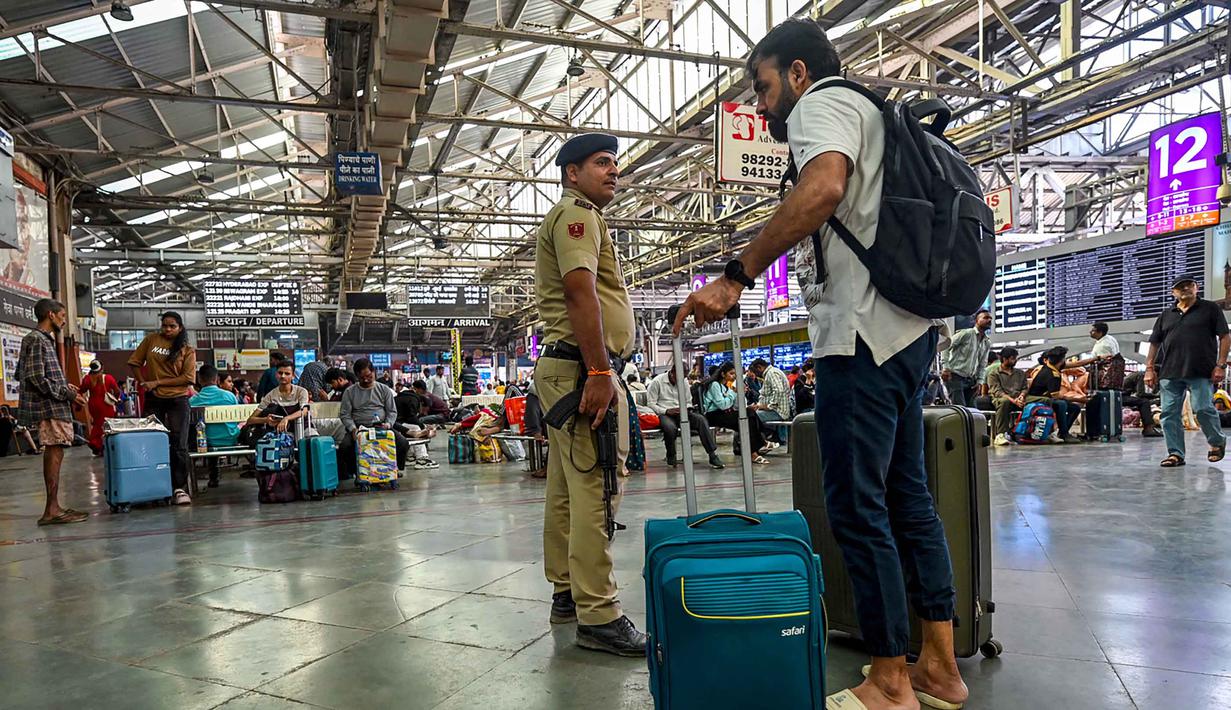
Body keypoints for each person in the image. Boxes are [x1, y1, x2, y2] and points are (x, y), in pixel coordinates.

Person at [672, 19, 967, 709]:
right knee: (907, 501)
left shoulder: (822, 105)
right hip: (909, 332)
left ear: (798, 74)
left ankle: (890, 679)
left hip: (859, 335)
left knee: (857, 507)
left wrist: (736, 275)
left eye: (764, 85)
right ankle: (938, 668)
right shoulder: (878, 116)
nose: (761, 103)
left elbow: (823, 188)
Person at [533, 132, 645, 656]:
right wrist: (601, 370)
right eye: (602, 163)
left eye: (615, 163)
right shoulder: (577, 217)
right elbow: (581, 293)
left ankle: (566, 592)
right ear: (571, 173)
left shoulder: (577, 217)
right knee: (596, 486)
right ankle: (599, 612)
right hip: (583, 372)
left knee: (565, 487)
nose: (613, 170)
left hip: (566, 369)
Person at [1146, 275, 1230, 467]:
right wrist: (1150, 368)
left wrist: (1221, 364)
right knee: (1169, 414)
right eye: (1180, 287)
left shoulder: (1210, 309)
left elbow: (1225, 337)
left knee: (1203, 408)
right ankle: (1175, 454)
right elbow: (1154, 343)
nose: (1185, 289)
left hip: (1201, 370)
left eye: (1189, 285)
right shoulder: (1166, 314)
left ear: (1196, 288)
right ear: (1173, 292)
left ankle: (1217, 442)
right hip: (1169, 372)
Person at [19, 299, 88, 525]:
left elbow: (30, 373)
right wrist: (66, 394)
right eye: (62, 315)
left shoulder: (41, 340)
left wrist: (64, 386)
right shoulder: (37, 340)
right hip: (49, 406)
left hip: (53, 404)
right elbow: (35, 377)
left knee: (57, 450)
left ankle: (54, 507)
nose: (64, 319)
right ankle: (51, 510)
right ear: (51, 314)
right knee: (54, 450)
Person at [128, 311, 196, 506]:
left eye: (172, 326)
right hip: (154, 399)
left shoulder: (186, 349)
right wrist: (143, 383)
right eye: (165, 325)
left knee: (179, 444)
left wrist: (156, 382)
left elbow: (188, 378)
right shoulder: (151, 340)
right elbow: (134, 362)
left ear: (180, 328)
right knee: (149, 442)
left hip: (178, 400)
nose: (167, 329)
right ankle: (151, 486)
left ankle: (179, 488)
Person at [338, 358, 411, 476]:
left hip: (381, 426)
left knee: (403, 443)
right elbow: (345, 414)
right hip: (358, 428)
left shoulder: (384, 389)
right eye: (362, 378)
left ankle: (394, 468)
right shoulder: (350, 392)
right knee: (345, 447)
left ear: (374, 372)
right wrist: (352, 428)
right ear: (356, 376)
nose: (366, 380)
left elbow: (392, 411)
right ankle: (357, 471)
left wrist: (388, 424)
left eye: (368, 376)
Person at [646, 365, 725, 469]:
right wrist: (666, 410)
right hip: (665, 413)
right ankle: (671, 455)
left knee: (701, 420)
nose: (680, 380)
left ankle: (712, 455)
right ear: (672, 372)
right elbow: (651, 404)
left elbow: (688, 401)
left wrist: (686, 408)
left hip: (681, 412)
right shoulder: (657, 382)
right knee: (670, 428)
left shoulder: (684, 382)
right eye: (678, 377)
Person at [702, 362, 770, 464]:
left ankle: (755, 451)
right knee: (747, 418)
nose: (733, 376)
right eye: (731, 373)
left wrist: (738, 393)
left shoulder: (725, 387)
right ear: (723, 374)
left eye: (734, 374)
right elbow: (723, 405)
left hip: (723, 413)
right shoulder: (715, 385)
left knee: (749, 413)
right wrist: (734, 393)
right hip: (714, 415)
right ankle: (761, 443)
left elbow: (734, 404)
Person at [189, 365, 240, 488]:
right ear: (217, 379)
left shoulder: (192, 401)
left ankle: (212, 476)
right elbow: (237, 420)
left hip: (203, 443)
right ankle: (214, 475)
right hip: (230, 440)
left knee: (208, 435)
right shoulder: (230, 396)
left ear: (199, 380)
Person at [1026, 346, 1082, 443]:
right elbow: (1055, 395)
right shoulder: (1051, 374)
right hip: (1037, 399)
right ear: (1061, 360)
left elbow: (1076, 364)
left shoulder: (1052, 368)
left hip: (1046, 398)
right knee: (1061, 404)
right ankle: (1064, 434)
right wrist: (1079, 399)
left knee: (1075, 408)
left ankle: (1062, 432)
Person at [942, 309, 993, 407]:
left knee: (972, 411)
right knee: (960, 410)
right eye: (986, 318)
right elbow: (947, 346)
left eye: (990, 318)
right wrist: (946, 368)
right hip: (955, 377)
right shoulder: (966, 334)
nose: (989, 320)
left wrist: (980, 381)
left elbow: (982, 364)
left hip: (971, 380)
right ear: (976, 321)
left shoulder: (986, 342)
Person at [245, 360, 309, 437]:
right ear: (276, 375)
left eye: (287, 374)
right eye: (280, 373)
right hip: (284, 433)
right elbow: (250, 420)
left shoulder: (301, 391)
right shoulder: (270, 395)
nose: (283, 376)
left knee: (313, 441)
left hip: (304, 428)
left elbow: (304, 411)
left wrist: (286, 418)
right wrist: (266, 420)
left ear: (293, 376)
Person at [987, 347, 1027, 444]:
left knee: (1043, 400)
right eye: (1013, 358)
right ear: (1004, 359)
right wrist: (1014, 401)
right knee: (1005, 402)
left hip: (1019, 398)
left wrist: (1021, 396)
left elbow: (1025, 388)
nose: (1015, 361)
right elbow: (998, 392)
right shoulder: (994, 373)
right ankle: (1000, 434)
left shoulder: (1020, 373)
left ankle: (1044, 432)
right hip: (1001, 398)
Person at [81, 360, 121, 456]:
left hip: (93, 404)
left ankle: (99, 446)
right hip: (105, 405)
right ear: (101, 368)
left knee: (97, 424)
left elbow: (81, 390)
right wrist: (116, 398)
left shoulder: (87, 379)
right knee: (104, 425)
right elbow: (117, 391)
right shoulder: (108, 378)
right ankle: (95, 443)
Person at [750, 358, 791, 444]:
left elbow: (779, 391)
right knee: (752, 414)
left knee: (751, 417)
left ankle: (759, 443)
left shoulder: (772, 373)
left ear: (759, 367)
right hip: (774, 410)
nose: (756, 376)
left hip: (777, 411)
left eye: (756, 372)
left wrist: (768, 406)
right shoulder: (771, 373)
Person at [1122, 370, 1163, 438]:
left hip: (1122, 395)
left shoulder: (1138, 375)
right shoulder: (1141, 375)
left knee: (1143, 402)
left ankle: (1149, 427)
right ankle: (1148, 428)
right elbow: (1140, 394)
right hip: (1121, 396)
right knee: (1144, 402)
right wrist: (1156, 396)